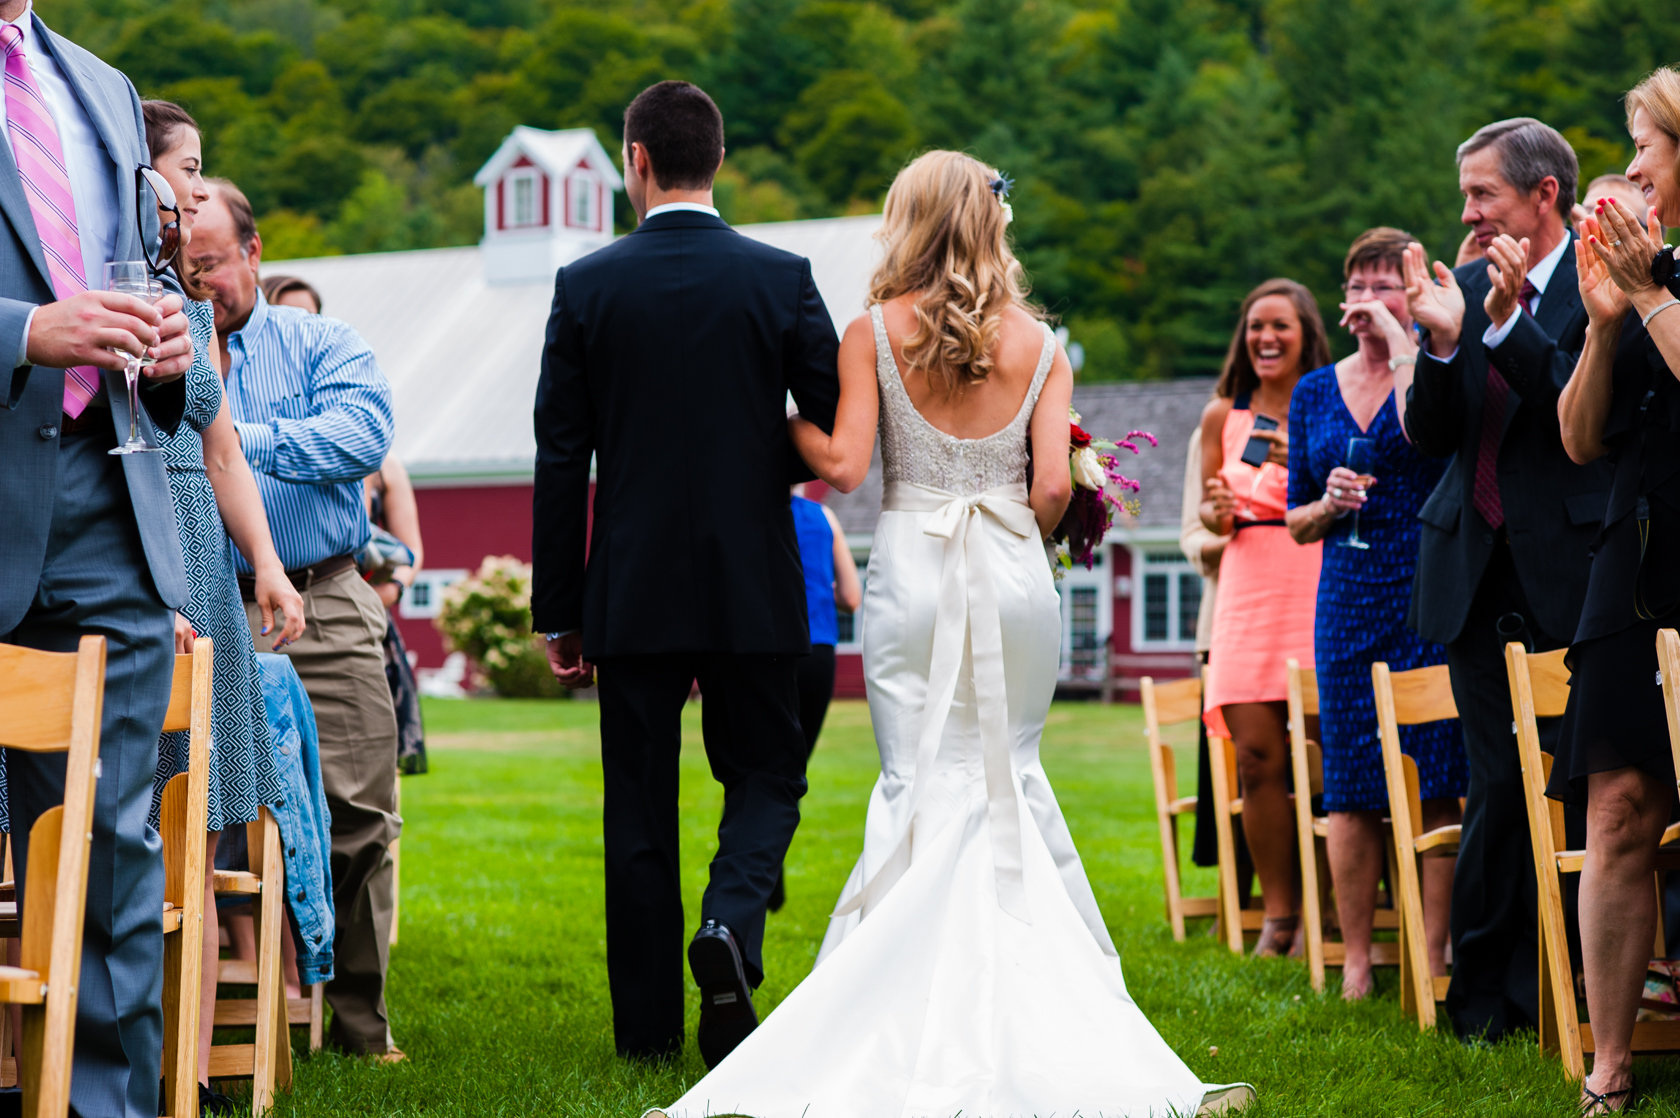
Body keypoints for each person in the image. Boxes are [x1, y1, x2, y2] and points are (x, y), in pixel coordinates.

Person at [653, 150, 1252, 1118]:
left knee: (919, 778)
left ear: (908, 221)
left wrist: (774, 419)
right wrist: (1018, 533)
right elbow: (1054, 487)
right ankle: (1046, 1008)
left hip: (915, 568)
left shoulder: (872, 333)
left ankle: (889, 998)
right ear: (991, 223)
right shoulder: (1042, 343)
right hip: (1013, 570)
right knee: (1008, 771)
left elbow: (844, 464)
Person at [531, 80, 841, 1067]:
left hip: (630, 586)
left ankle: (649, 1034)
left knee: (638, 807)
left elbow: (558, 458)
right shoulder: (782, 277)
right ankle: (731, 926)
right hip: (754, 575)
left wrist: (559, 607)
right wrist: (754, 452)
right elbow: (830, 427)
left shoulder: (585, 287)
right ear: (719, 159)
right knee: (767, 770)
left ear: (635, 160)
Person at [0, 4, 198, 1113]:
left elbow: (139, 273)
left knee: (112, 850)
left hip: (106, 501)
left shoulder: (104, 88)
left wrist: (167, 339)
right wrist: (28, 330)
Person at [1401, 117, 1609, 1040]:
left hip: (1571, 568)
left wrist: (1512, 326)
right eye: (1464, 196)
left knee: (1571, 785)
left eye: (1482, 193)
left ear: (1544, 196)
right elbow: (1432, 436)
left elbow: (1581, 407)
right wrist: (1443, 346)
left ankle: (1570, 985)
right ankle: (1485, 1003)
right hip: (1470, 567)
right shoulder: (1462, 284)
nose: (1468, 213)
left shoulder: (1600, 278)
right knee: (1496, 779)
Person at [186, 176, 404, 1059]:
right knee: (206, 819)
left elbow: (363, 434)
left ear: (254, 253)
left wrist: (233, 436)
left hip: (323, 596)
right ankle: (221, 1019)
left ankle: (356, 1024)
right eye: (184, 266)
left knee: (355, 812)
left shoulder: (321, 340)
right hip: (200, 605)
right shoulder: (166, 343)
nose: (201, 282)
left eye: (213, 264)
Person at [140, 98, 305, 1114]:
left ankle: (191, 1084)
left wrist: (270, 564)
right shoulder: (92, 290)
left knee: (195, 840)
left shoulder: (195, 305)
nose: (201, 187)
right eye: (185, 166)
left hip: (205, 557)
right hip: (126, 553)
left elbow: (225, 448)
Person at [1286, 227, 1463, 1002]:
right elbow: (1292, 517)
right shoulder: (1313, 391)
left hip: (1426, 589)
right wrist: (1326, 502)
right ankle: (1358, 961)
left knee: (1435, 771)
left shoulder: (1434, 366)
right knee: (1352, 781)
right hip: (1347, 599)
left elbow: (1434, 427)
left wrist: (1401, 340)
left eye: (1381, 286)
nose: (1363, 300)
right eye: (1355, 286)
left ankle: (1434, 954)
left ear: (1412, 294)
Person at [1554, 66, 1680, 1115]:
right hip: (1633, 574)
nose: (1634, 166)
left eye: (1648, 147)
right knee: (1618, 808)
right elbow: (1581, 438)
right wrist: (1604, 324)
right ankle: (1610, 1061)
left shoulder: (1663, 281)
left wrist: (1648, 297)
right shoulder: (1648, 273)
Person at [1198, 278, 1330, 955]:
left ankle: (1330, 910)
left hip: (1314, 577)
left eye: (1280, 326)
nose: (1266, 338)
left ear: (1306, 332)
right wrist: (1214, 515)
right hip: (1246, 582)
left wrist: (1302, 463)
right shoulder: (1223, 416)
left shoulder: (1328, 401)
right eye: (1255, 327)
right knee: (1256, 758)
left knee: (1326, 754)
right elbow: (1204, 509)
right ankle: (1278, 915)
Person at [768, 483, 861, 912]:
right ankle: (769, 860)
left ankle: (758, 862)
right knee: (794, 766)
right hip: (817, 647)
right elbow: (851, 596)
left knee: (757, 761)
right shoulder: (824, 518)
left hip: (765, 647)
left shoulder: (749, 511)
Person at [1179, 425, 1243, 883]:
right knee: (1232, 768)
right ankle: (1236, 896)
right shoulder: (1210, 432)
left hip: (1303, 618)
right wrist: (1247, 544)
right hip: (1226, 623)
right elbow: (1192, 535)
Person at [365, 454, 427, 774]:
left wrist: (388, 592)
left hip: (368, 606)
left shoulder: (386, 469)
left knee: (376, 735)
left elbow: (411, 553)